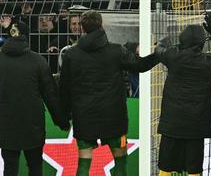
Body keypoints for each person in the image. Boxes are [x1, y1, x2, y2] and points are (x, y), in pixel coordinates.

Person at [58, 10, 159, 176]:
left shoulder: (71, 55)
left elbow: (64, 88)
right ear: (102, 25)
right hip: (114, 117)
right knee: (120, 164)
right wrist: (158, 55)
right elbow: (140, 66)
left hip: (84, 117)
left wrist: (65, 115)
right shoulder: (116, 51)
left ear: (83, 28)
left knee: (83, 163)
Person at [0, 22, 65, 176]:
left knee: (10, 167)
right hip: (32, 123)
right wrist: (61, 120)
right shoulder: (38, 61)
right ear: (27, 37)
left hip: (5, 122)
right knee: (35, 165)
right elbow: (50, 94)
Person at [154, 13, 211, 176]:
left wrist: (164, 41)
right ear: (202, 43)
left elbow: (159, 50)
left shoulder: (173, 56)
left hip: (172, 124)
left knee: (166, 166)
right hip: (196, 126)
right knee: (194, 168)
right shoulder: (208, 62)